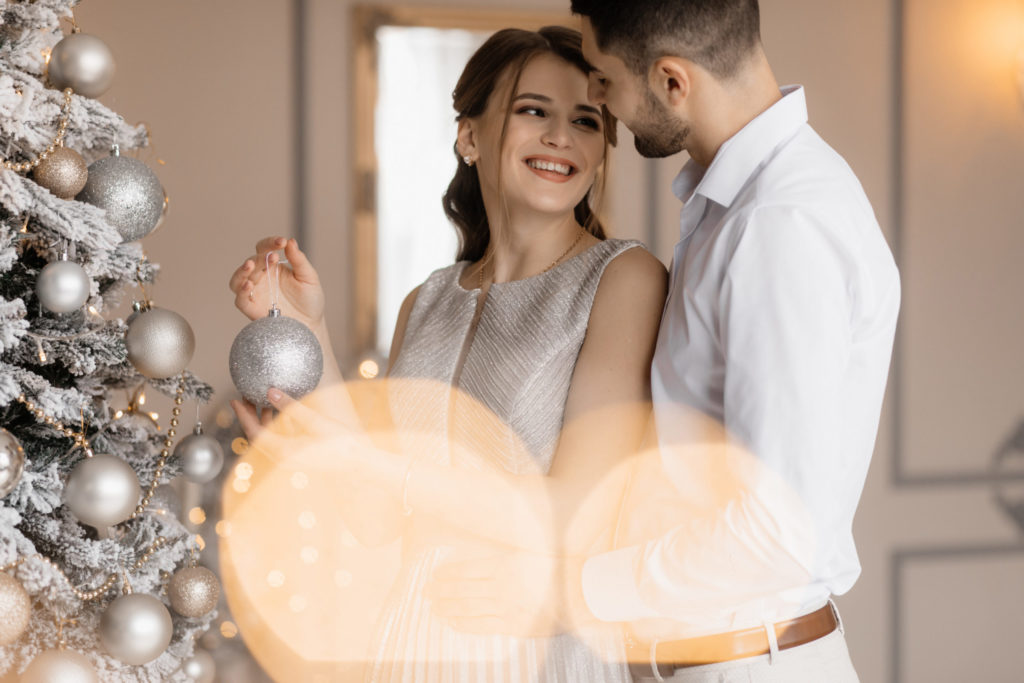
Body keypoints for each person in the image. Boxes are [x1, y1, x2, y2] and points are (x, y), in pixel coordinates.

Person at [228, 26, 667, 682]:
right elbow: (377, 520)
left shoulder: (623, 279)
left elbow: (574, 511)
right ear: (469, 136)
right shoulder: (426, 299)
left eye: (585, 121)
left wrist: (372, 467)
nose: (562, 137)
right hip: (410, 644)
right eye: (533, 111)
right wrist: (307, 329)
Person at [556, 1, 901, 681]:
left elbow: (776, 533)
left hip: (749, 663)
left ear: (672, 81)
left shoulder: (778, 226)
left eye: (602, 77)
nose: (595, 96)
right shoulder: (741, 207)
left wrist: (568, 589)